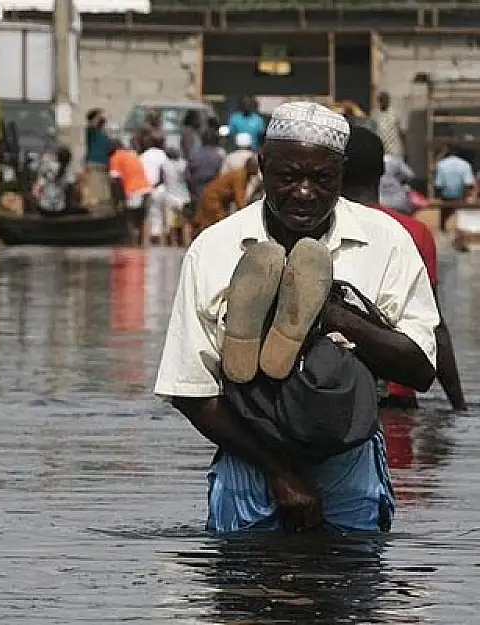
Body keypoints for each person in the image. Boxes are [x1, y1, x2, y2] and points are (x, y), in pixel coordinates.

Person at [155, 101, 441, 534]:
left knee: (333, 591)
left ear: (342, 173)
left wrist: (334, 316)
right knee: (253, 593)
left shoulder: (387, 242)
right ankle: (266, 335)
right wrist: (278, 472)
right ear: (262, 165)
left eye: (322, 179)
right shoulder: (215, 248)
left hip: (347, 453)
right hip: (251, 456)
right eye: (288, 177)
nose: (304, 192)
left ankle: (318, 316)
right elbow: (190, 390)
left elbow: (420, 370)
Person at [341, 125, 466, 412]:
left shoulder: (320, 227)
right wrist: (458, 404)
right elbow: (433, 323)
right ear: (382, 171)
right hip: (398, 393)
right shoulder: (414, 232)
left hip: (334, 391)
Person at [191, 156, 260, 236]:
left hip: (218, 199)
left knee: (211, 222)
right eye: (256, 167)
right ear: (250, 167)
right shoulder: (240, 176)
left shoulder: (245, 176)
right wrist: (248, 213)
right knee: (219, 222)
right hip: (213, 197)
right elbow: (239, 198)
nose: (257, 170)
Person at [108, 139, 153, 243]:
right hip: (147, 188)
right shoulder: (132, 154)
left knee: (130, 218)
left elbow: (115, 181)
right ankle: (143, 244)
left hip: (133, 191)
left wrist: (118, 201)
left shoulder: (115, 157)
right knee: (142, 218)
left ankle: (133, 244)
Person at [140, 135, 172, 245]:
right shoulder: (162, 155)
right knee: (165, 217)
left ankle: (151, 243)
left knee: (152, 216)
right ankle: (166, 243)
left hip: (147, 190)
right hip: (160, 188)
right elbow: (166, 172)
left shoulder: (143, 156)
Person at [159, 147, 191, 245]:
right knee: (185, 222)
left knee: (170, 224)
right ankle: (186, 242)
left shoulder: (164, 165)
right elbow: (188, 178)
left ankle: (173, 244)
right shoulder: (184, 164)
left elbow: (161, 179)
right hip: (183, 196)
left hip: (169, 196)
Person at [34, 146, 77, 214]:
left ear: (57, 156)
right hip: (60, 209)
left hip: (44, 208)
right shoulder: (69, 171)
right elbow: (71, 191)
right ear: (69, 160)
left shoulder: (47, 166)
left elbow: (38, 189)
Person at [370, 92, 405, 158]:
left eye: (386, 100)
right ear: (379, 101)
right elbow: (372, 133)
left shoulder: (395, 113)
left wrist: (405, 150)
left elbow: (402, 132)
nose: (384, 102)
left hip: (394, 151)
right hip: (381, 151)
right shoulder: (374, 115)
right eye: (382, 100)